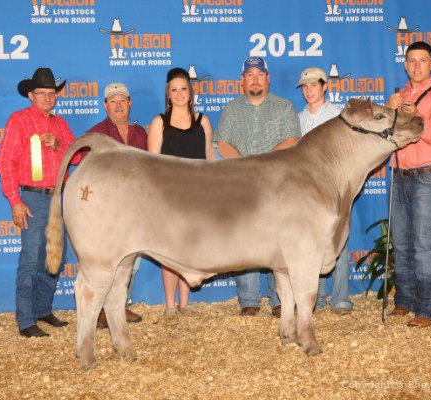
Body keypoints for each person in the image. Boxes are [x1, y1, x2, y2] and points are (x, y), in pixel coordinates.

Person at [0, 67, 79, 338]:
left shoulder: (61, 124)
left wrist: (59, 146)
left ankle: (43, 309)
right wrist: (15, 201)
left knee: (56, 257)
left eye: (51, 93)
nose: (47, 98)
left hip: (59, 197)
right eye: (42, 93)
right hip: (32, 196)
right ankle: (25, 319)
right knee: (31, 259)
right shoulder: (18, 121)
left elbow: (77, 158)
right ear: (31, 95)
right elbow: (5, 163)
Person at [216, 56, 301, 317]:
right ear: (241, 80)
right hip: (242, 182)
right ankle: (249, 300)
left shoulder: (285, 107)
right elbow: (222, 144)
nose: (255, 79)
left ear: (268, 78)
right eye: (249, 75)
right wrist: (245, 166)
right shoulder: (231, 109)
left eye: (260, 74)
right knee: (246, 238)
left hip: (276, 182)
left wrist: (263, 163)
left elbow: (292, 140)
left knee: (279, 239)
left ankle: (279, 298)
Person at [385, 41, 431, 328]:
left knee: (424, 245)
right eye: (411, 61)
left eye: (422, 60)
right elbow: (385, 135)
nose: (416, 66)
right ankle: (404, 301)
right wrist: (388, 111)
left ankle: (426, 310)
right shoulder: (398, 95)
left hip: (428, 174)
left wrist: (418, 117)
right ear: (405, 64)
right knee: (401, 245)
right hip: (399, 174)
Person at [147, 67, 216, 318]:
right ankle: (169, 306)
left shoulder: (203, 121)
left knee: (190, 250)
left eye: (183, 89)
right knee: (170, 252)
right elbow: (152, 164)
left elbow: (210, 157)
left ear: (190, 92)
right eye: (174, 90)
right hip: (170, 197)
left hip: (198, 196)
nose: (179, 94)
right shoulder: (159, 123)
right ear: (168, 94)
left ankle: (185, 306)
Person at [86, 82, 147, 327]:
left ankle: (120, 307)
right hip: (107, 209)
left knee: (130, 261)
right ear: (105, 105)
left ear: (130, 103)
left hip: (134, 207)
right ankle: (100, 310)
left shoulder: (141, 133)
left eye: (122, 100)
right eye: (113, 101)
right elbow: (85, 170)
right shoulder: (96, 134)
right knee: (106, 261)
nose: (118, 105)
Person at [296, 67, 353, 316]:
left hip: (334, 186)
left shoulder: (340, 115)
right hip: (306, 190)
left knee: (337, 240)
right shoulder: (297, 119)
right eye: (305, 86)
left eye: (313, 85)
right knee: (310, 244)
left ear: (325, 86)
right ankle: (316, 299)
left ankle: (341, 299)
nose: (309, 90)